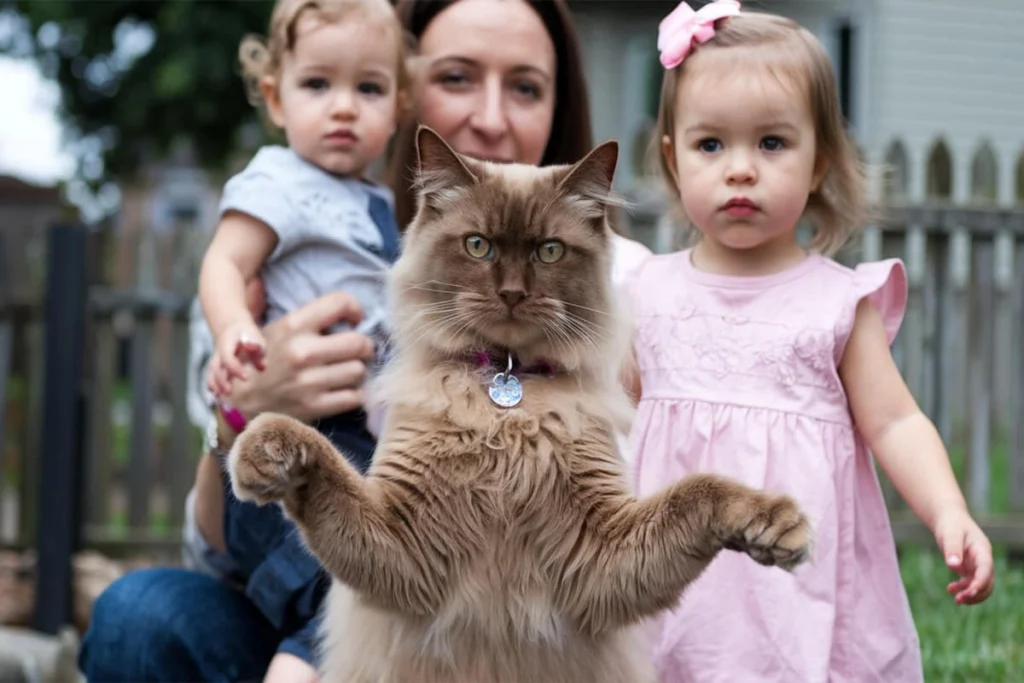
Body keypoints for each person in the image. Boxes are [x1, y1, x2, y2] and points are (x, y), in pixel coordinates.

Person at [79, 1, 650, 682]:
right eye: (458, 78)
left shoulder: (623, 284)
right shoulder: (305, 241)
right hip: (330, 569)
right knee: (140, 610)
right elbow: (212, 550)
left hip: (499, 629)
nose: (491, 117)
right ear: (407, 91)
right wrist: (241, 412)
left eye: (525, 87)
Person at [626, 2, 995, 681]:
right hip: (672, 582)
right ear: (675, 159)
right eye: (712, 145)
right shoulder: (647, 294)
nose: (741, 169)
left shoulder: (836, 303)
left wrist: (949, 511)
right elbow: (610, 419)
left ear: (819, 157)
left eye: (771, 143)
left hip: (800, 585)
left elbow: (895, 420)